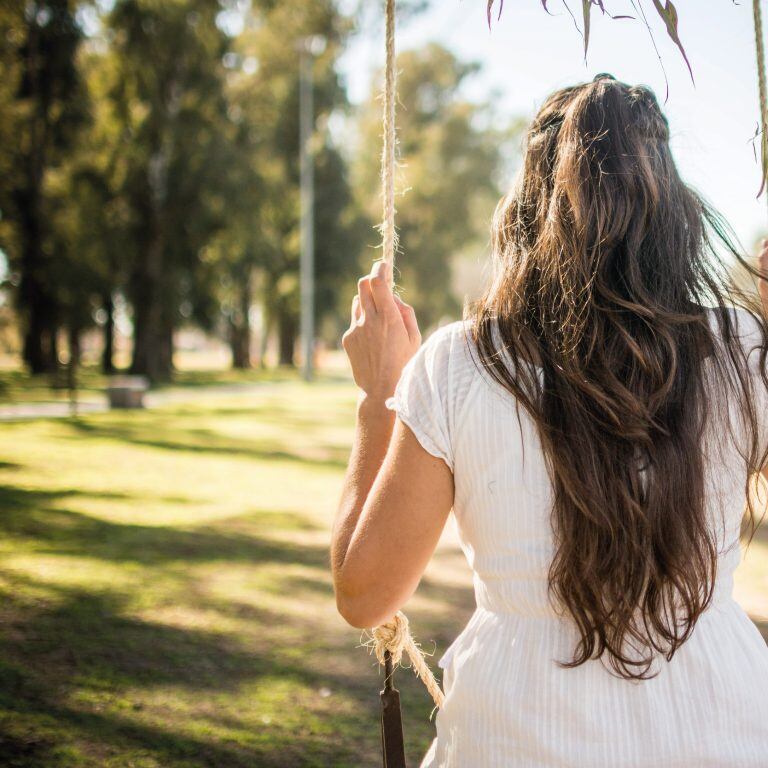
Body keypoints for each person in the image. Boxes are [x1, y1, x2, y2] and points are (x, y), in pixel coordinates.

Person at [330, 74, 768, 766]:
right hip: (723, 732)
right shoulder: (740, 350)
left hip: (518, 736)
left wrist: (379, 396)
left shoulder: (461, 366)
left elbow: (364, 593)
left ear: (530, 207)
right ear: (673, 206)